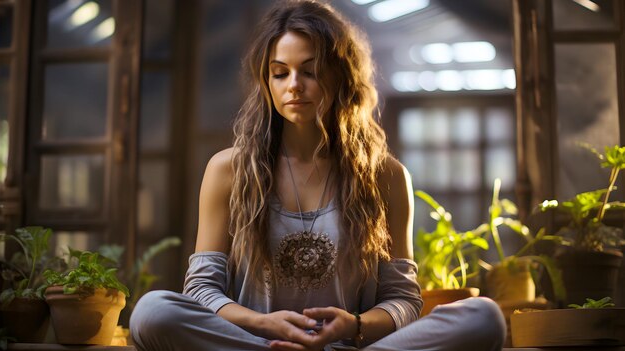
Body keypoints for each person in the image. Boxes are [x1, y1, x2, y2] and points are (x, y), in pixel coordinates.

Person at [130, 1, 506, 350]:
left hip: (349, 345)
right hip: (259, 343)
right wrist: (264, 325)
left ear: (341, 75)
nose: (293, 85)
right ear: (267, 83)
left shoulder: (386, 176)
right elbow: (201, 290)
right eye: (280, 73)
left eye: (309, 71)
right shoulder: (229, 169)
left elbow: (403, 300)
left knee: (483, 316)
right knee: (153, 311)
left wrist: (353, 326)